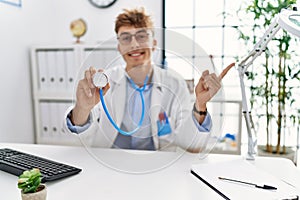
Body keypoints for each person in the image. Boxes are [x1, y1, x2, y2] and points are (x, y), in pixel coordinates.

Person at [63, 7, 234, 153]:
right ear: (119, 47)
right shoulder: (104, 83)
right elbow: (79, 133)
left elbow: (192, 145)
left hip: (158, 168)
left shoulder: (174, 83)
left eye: (142, 36)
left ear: (154, 43)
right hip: (109, 165)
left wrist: (200, 106)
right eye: (126, 38)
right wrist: (82, 108)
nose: (134, 44)